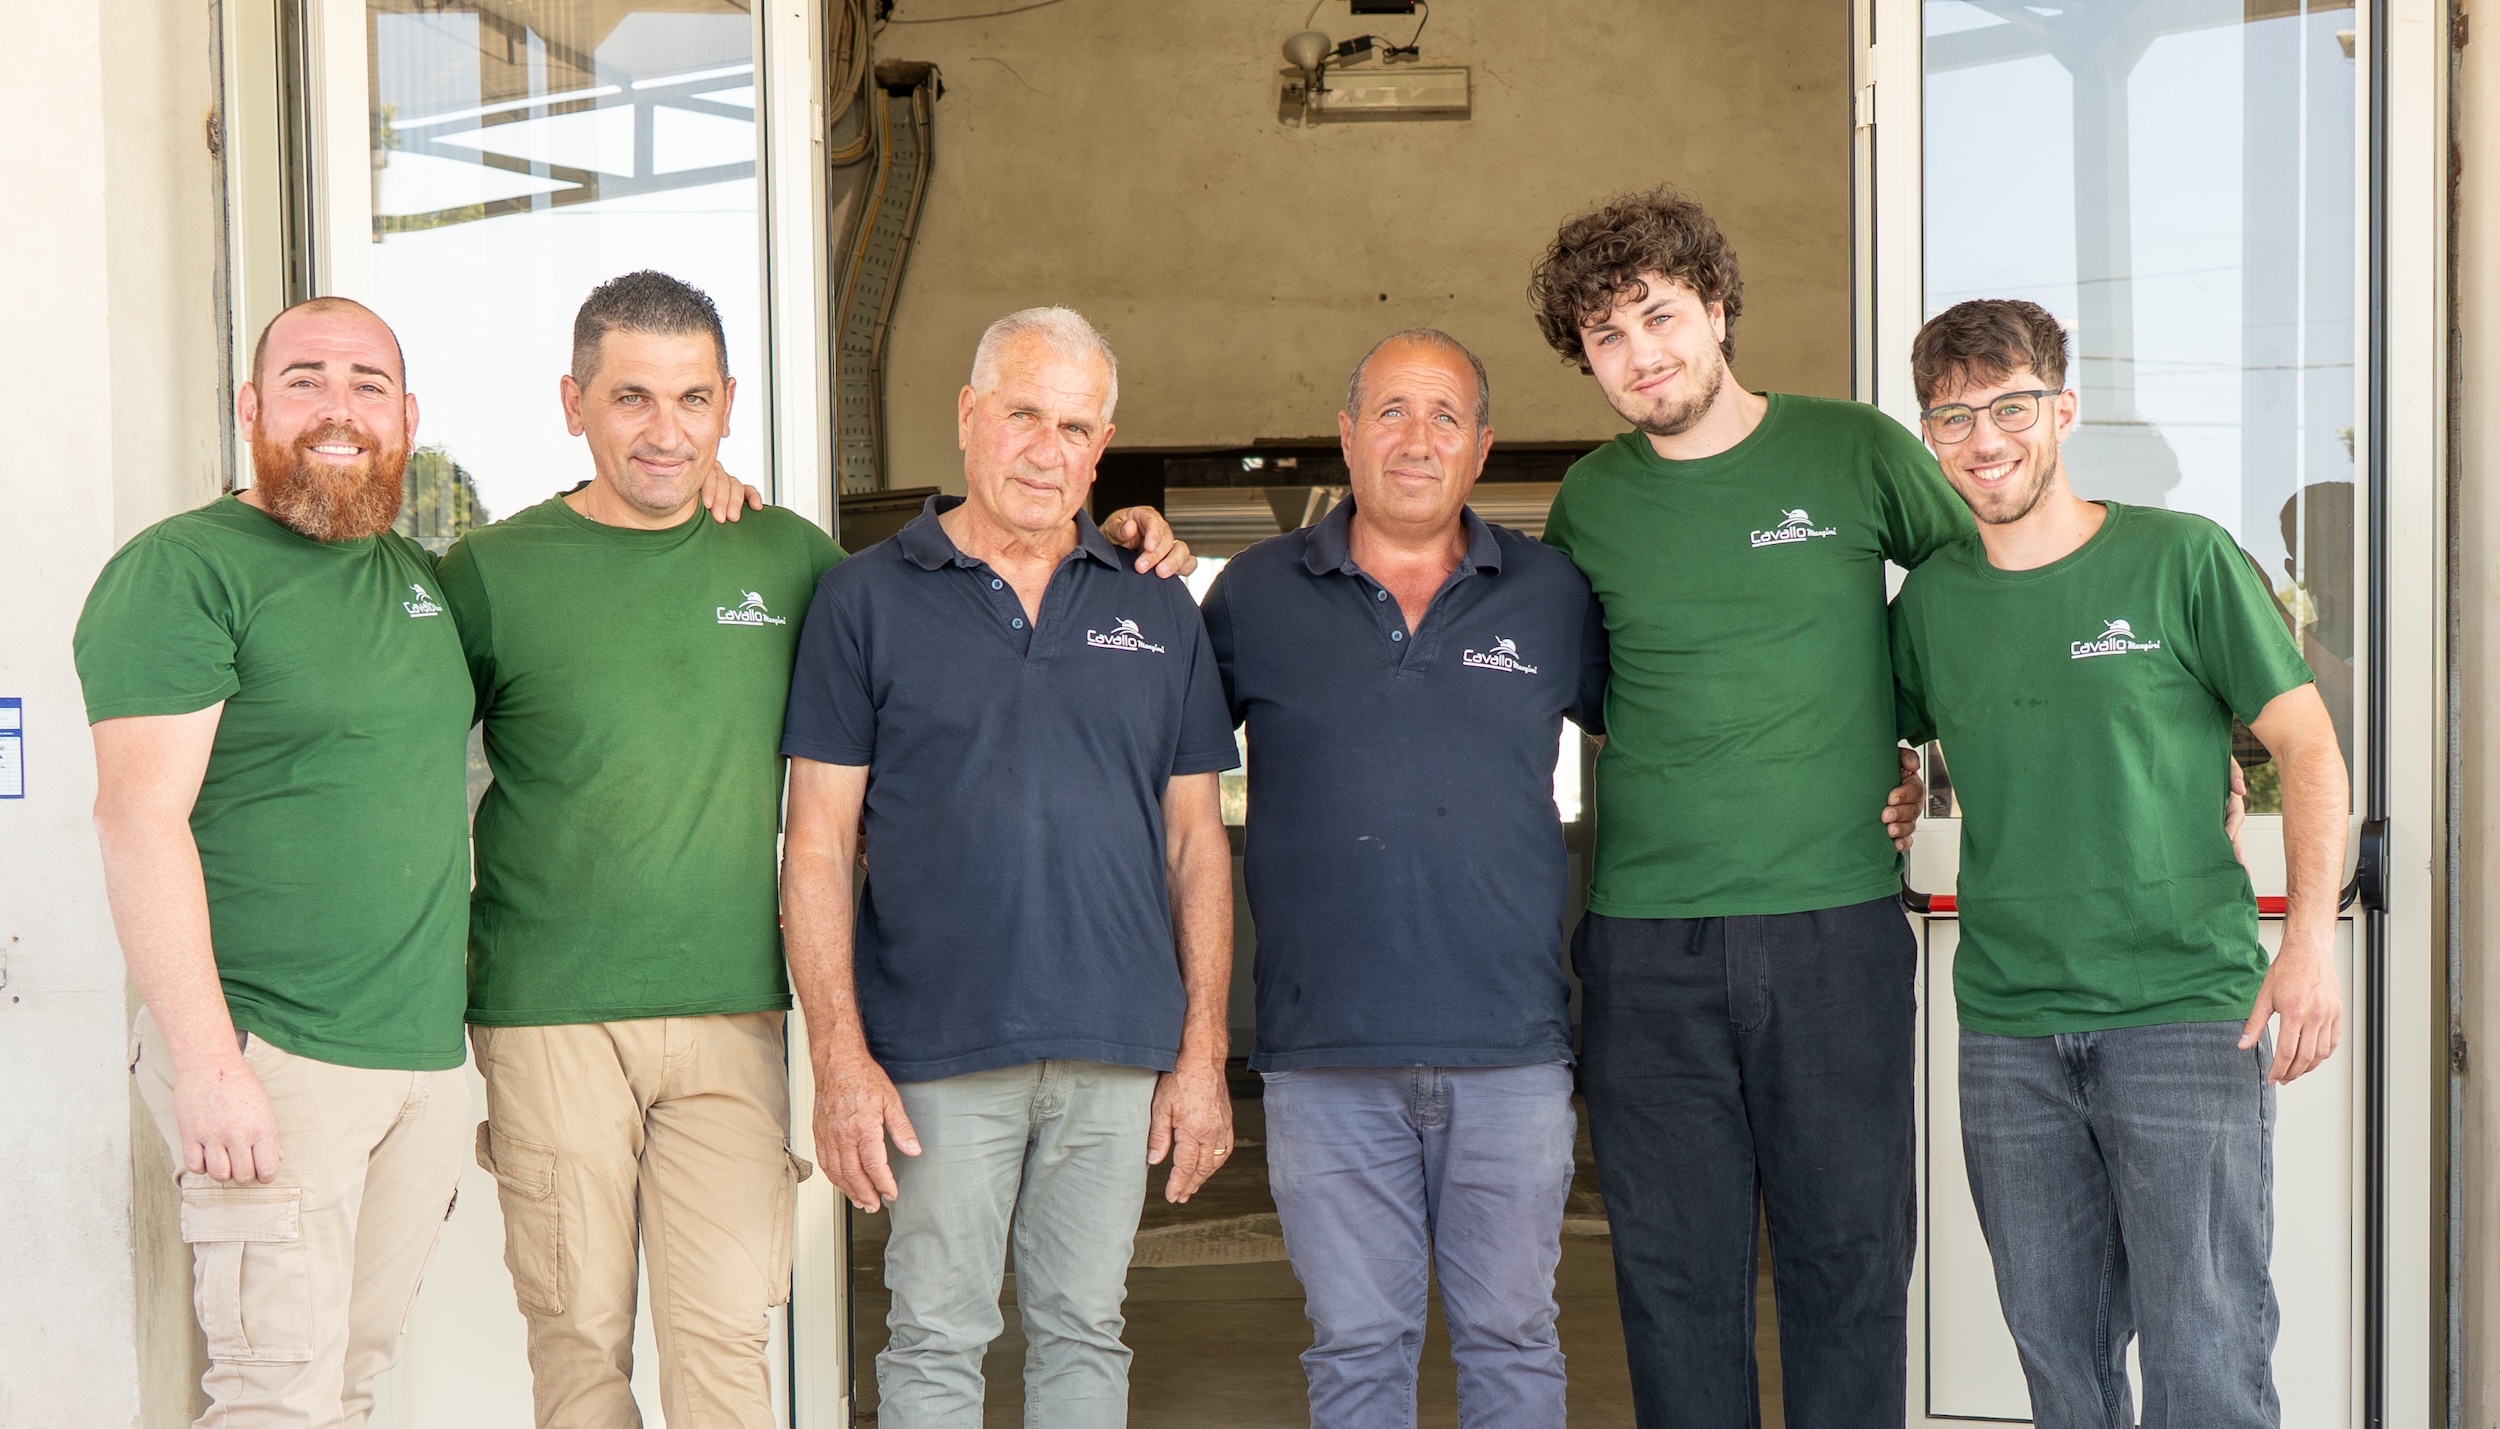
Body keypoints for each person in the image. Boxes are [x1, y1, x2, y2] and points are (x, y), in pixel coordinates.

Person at [1528, 187, 1955, 1427]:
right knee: (1673, 1280)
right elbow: (1589, 697)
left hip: (1834, 931)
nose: (1639, 354)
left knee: (1850, 1266)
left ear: (1717, 309)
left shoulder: (1856, 450)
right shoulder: (1589, 505)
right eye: (1606, 337)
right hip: (1645, 942)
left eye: (1658, 316)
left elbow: (1970, 596)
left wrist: (1926, 751)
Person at [778, 306, 1239, 1428]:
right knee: (935, 1333)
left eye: (1074, 426)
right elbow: (819, 843)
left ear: (1103, 444)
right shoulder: (863, 598)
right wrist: (839, 1058)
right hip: (936, 1044)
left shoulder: (1154, 601)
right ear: (969, 416)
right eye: (1022, 414)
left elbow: (1196, 841)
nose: (1047, 448)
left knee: (1086, 1330)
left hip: (1116, 1043)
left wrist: (1203, 1053)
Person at [1890, 298, 2347, 1429]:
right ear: (1930, 434)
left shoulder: (2179, 557)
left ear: (2062, 409)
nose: (1983, 439)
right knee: (2060, 1360)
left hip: (2182, 1013)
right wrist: (1895, 791)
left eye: (2008, 406)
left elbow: (2307, 745)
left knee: (2206, 1356)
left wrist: (2307, 948)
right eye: (1953, 416)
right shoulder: (1934, 601)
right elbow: (1877, 743)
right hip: (2008, 1030)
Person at [434, 271, 839, 1428]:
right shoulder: (492, 573)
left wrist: (1113, 540)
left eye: (693, 401)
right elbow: (390, 749)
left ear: (727, 406)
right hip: (547, 1010)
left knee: (723, 1348)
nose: (667, 432)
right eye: (632, 399)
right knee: (578, 1345)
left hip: (731, 1015)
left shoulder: (788, 561)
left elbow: (939, 629)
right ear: (575, 404)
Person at [76, 296, 473, 1427]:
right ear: (251, 407)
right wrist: (207, 1060)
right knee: (274, 1394)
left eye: (368, 384)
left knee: (344, 1379)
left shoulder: (417, 578)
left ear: (407, 419)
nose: (337, 408)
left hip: (415, 1059)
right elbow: (135, 818)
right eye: (305, 380)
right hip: (272, 1049)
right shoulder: (186, 569)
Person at [1200, 329, 1607, 1428]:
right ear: (1347, 435)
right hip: (1324, 1057)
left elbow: (1667, 746)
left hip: (1511, 1048)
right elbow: (1158, 761)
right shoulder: (1253, 592)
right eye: (1389, 411)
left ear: (1481, 447)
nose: (1415, 438)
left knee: (1513, 1341)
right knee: (1356, 1351)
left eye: (1442, 416)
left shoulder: (1552, 594)